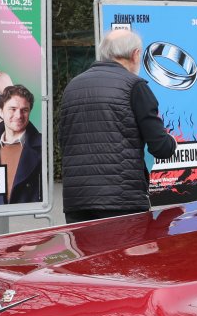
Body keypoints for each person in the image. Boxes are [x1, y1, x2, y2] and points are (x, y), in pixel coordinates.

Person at [59, 28, 177, 223]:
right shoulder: (135, 86)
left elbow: (64, 141)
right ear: (135, 54)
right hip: (122, 200)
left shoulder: (72, 86)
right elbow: (161, 147)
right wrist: (172, 142)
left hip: (77, 201)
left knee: (86, 245)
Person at [0, 85, 44, 205]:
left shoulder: (43, 147)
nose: (19, 116)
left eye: (24, 110)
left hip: (28, 215)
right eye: (13, 109)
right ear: (1, 112)